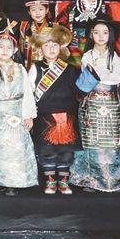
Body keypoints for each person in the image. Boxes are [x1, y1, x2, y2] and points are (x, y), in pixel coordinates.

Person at [70, 17, 120, 193]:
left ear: (110, 35)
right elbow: (88, 79)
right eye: (96, 32)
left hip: (111, 105)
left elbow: (116, 78)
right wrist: (103, 75)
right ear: (91, 35)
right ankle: (91, 181)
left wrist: (98, 75)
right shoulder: (87, 56)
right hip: (91, 104)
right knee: (92, 142)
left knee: (113, 142)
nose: (100, 36)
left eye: (105, 32)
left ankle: (117, 181)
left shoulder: (115, 57)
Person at [0, 30, 38, 195]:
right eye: (1, 47)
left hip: (16, 115)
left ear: (15, 50)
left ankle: (15, 182)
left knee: (17, 149)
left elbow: (27, 93)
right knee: (0, 150)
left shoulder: (20, 69)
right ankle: (2, 180)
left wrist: (28, 115)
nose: (5, 50)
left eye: (9, 47)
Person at [29, 25, 81, 195]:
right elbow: (29, 91)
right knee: (46, 150)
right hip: (45, 117)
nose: (51, 48)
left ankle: (64, 181)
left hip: (67, 116)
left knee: (66, 150)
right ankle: (50, 181)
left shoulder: (70, 69)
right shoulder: (35, 68)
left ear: (61, 48)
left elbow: (78, 90)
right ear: (40, 49)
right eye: (47, 45)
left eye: (54, 45)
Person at [18, 0, 54, 69]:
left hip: (49, 67)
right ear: (29, 12)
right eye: (33, 10)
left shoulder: (55, 27)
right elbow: (20, 49)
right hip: (28, 67)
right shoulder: (23, 26)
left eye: (40, 9)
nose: (37, 13)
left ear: (47, 10)